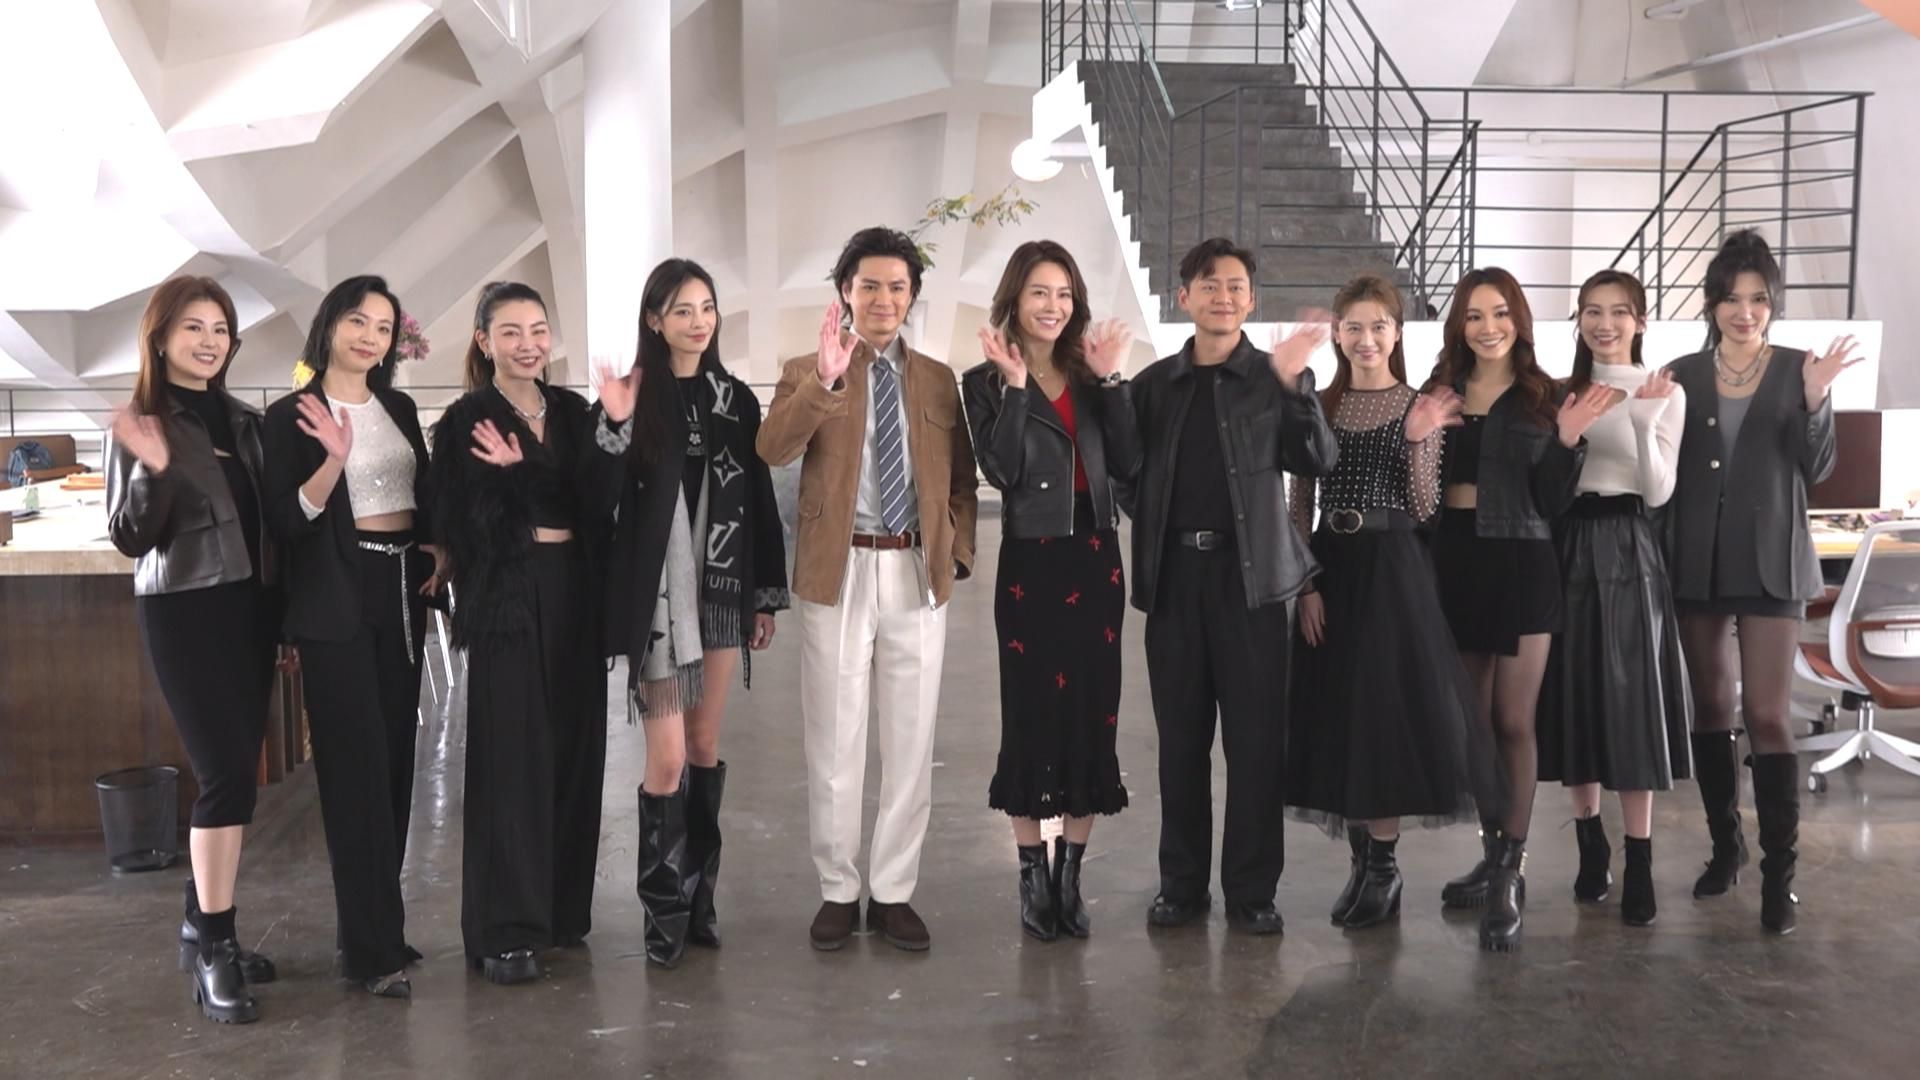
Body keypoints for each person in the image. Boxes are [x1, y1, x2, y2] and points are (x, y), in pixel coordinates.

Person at [757, 226, 979, 952]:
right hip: (839, 569)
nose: (884, 298)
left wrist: (957, 551)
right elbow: (772, 448)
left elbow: (962, 479)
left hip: (915, 570)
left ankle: (892, 892)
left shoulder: (938, 378)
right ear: (844, 293)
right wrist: (824, 381)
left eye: (897, 286)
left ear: (912, 296)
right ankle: (837, 888)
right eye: (869, 285)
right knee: (834, 735)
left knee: (911, 738)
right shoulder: (807, 368)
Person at [1114, 237, 1337, 935]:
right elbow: (1126, 473)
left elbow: (1317, 458)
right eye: (1209, 285)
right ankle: (1180, 886)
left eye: (1236, 286)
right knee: (1180, 743)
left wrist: (1297, 385)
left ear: (1250, 300)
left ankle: (1251, 890)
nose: (1223, 296)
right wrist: (1158, 520)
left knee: (1255, 745)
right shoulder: (1154, 385)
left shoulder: (1274, 377)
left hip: (1254, 585)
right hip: (1176, 584)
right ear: (1184, 297)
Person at [1284, 273, 1501, 931]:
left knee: (1381, 714)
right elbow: (1299, 503)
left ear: (1397, 332)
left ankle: (1384, 867)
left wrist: (1418, 437)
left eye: (1378, 326)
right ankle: (1362, 863)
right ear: (1337, 334)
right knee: (1341, 713)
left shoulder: (1418, 404)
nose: (1366, 339)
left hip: (1392, 569)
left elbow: (1425, 506)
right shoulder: (1321, 404)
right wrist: (1305, 585)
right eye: (1354, 327)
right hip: (1331, 566)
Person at [431, 282, 629, 984]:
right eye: (510, 332)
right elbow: (460, 521)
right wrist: (520, 480)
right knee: (511, 755)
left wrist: (613, 428)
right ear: (484, 341)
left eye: (538, 330)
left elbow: (599, 500)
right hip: (509, 596)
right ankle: (506, 929)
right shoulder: (465, 420)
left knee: (576, 748)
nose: (527, 344)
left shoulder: (573, 412)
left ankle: (560, 912)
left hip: (576, 589)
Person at [1664, 230, 1861, 935]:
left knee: (1770, 715)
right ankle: (1727, 849)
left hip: (1773, 560)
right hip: (1699, 560)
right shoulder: (1682, 374)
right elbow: (1664, 469)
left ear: (1773, 303)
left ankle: (1781, 876)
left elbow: (1818, 467)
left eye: (1757, 299)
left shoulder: (1798, 369)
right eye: (1731, 299)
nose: (1744, 312)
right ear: (1712, 304)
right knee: (1712, 707)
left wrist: (1816, 398)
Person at [595, 259, 788, 967]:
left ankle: (700, 897)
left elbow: (759, 498)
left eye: (707, 307)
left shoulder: (734, 399)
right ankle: (663, 905)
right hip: (658, 602)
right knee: (669, 758)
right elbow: (597, 498)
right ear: (655, 320)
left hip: (722, 594)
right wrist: (614, 425)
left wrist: (764, 594)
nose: (698, 321)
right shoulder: (631, 396)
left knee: (703, 749)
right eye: (682, 310)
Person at [1425, 267, 1612, 952]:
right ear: (1459, 325)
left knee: (1512, 719)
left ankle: (1510, 871)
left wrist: (1567, 442)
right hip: (1456, 561)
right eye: (1474, 315)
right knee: (1473, 725)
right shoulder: (1439, 391)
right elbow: (1421, 485)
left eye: (1500, 313)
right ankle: (1492, 850)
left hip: (1525, 561)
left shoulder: (1546, 396)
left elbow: (1555, 503)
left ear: (1519, 320)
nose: (1488, 327)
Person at [106, 276, 277, 1023]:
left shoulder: (246, 421)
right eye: (193, 328)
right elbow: (129, 537)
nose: (209, 342)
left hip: (251, 612)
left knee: (241, 777)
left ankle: (198, 915)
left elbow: (268, 526)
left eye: (220, 329)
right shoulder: (144, 421)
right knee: (223, 778)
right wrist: (154, 469)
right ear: (160, 338)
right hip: (184, 610)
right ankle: (214, 947)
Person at [960, 240, 1138, 941]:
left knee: (1094, 711)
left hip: (1096, 558)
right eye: (1040, 292)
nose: (1053, 306)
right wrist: (1012, 388)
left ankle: (1071, 875)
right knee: (1031, 712)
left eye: (1064, 294)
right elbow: (1001, 471)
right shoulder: (982, 380)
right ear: (1015, 297)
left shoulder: (1093, 372)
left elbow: (1129, 461)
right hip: (1030, 563)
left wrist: (1114, 381)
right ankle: (1032, 872)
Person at [262, 275, 434, 998]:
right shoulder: (290, 416)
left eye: (384, 327)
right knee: (354, 771)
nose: (370, 336)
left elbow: (420, 493)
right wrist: (334, 459)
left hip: (403, 588)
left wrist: (441, 548)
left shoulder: (398, 407)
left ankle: (374, 927)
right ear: (330, 323)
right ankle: (371, 950)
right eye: (358, 321)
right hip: (337, 593)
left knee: (394, 764)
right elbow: (284, 522)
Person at [1537, 269, 1692, 928]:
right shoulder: (1559, 391)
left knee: (1633, 703)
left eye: (1619, 312)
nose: (1605, 324)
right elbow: (1549, 488)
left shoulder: (1663, 392)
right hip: (1570, 544)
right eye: (1592, 311)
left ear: (1640, 321)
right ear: (1578, 320)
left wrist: (1644, 420)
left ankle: (1641, 858)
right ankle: (1589, 841)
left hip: (1631, 545)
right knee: (1578, 693)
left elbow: (1657, 492)